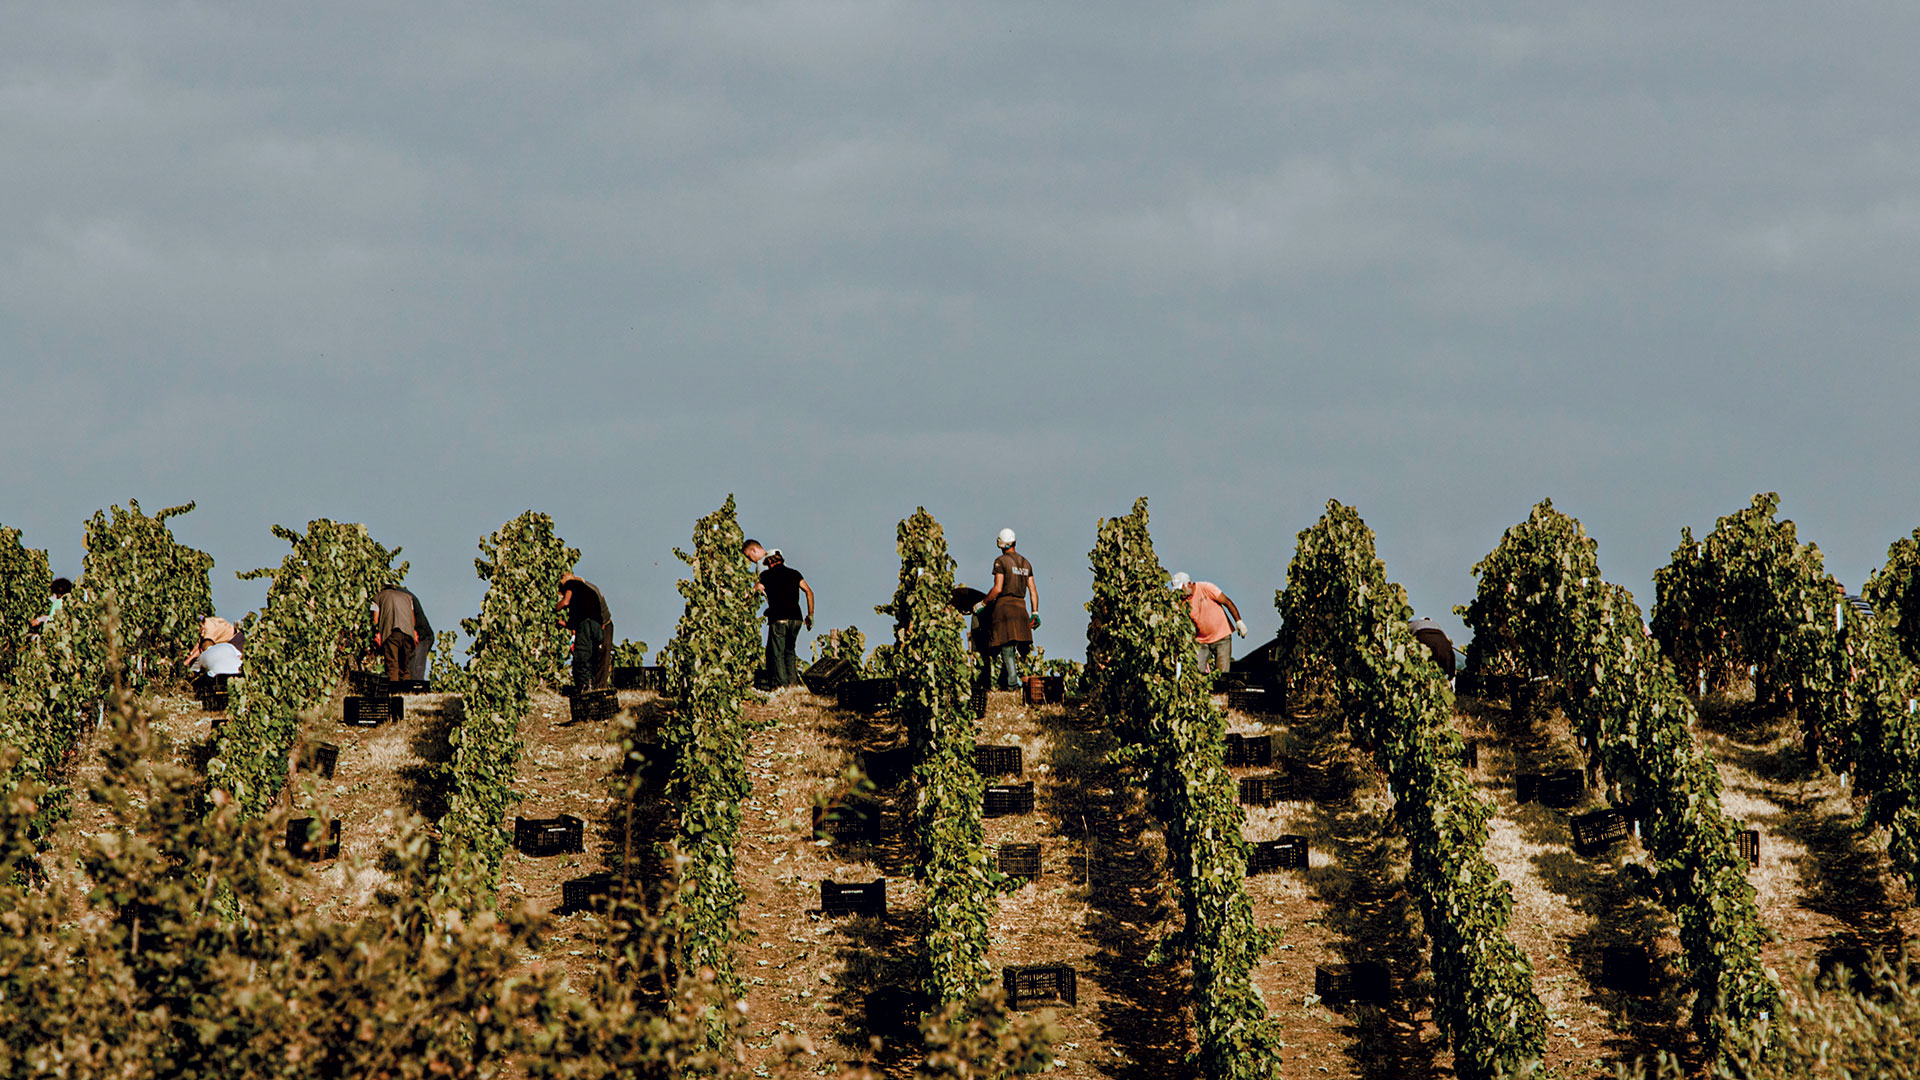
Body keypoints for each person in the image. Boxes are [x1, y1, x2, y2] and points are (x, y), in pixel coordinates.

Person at [972, 528, 1039, 690]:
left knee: (1007, 648)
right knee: (1016, 646)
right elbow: (1033, 591)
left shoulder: (1001, 561)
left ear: (1000, 543)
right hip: (1021, 608)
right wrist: (1035, 612)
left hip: (1005, 609)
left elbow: (998, 588)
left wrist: (983, 604)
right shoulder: (1026, 563)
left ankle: (1012, 684)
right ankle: (1006, 681)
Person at [1171, 572, 1247, 675]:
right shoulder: (1180, 602)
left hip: (1222, 637)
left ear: (1189, 583)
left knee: (1222, 674)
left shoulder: (1206, 588)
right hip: (1201, 641)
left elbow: (1227, 602)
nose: (1180, 593)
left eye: (1182, 589)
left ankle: (1221, 691)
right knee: (1196, 673)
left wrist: (1239, 622)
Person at [759, 549, 815, 687]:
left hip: (778, 618)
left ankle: (783, 686)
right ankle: (793, 684)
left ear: (770, 563)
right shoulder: (794, 574)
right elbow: (809, 592)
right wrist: (810, 615)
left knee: (777, 654)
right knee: (790, 651)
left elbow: (758, 588)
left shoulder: (765, 575)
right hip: (796, 618)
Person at [558, 572, 613, 690]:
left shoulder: (571, 584)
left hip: (600, 625)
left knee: (582, 657)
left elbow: (566, 602)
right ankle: (596, 688)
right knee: (595, 657)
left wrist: (553, 609)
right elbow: (579, 617)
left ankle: (585, 688)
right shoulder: (587, 590)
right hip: (598, 626)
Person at [372, 584, 419, 683]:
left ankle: (394, 693)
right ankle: (406, 692)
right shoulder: (407, 597)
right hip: (408, 633)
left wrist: (377, 633)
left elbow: (375, 619)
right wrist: (414, 633)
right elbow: (413, 619)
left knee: (392, 665)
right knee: (405, 667)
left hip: (391, 631)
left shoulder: (377, 597)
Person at [400, 586, 433, 681]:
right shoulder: (398, 595)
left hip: (421, 637)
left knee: (415, 672)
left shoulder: (403, 597)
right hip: (412, 635)